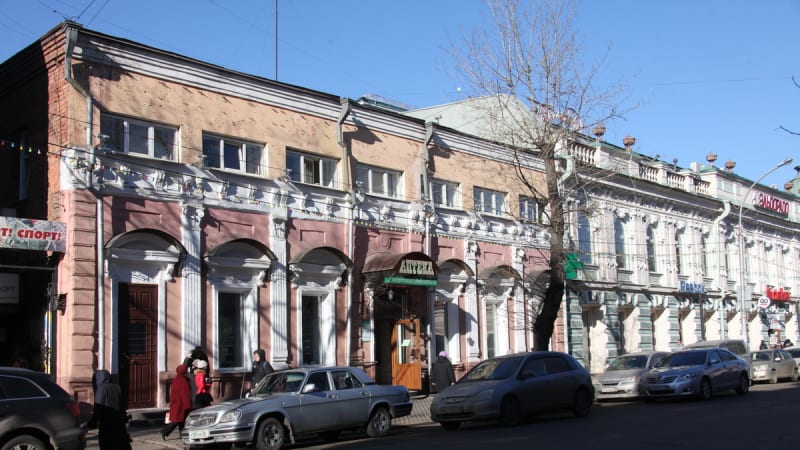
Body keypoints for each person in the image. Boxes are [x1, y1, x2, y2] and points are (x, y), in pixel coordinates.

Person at [90, 370, 131, 450]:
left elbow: (98, 408)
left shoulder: (101, 389)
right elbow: (122, 406)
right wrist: (124, 418)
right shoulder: (117, 387)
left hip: (107, 427)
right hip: (119, 426)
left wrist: (92, 423)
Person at [161, 364, 192, 440]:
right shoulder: (182, 381)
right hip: (180, 404)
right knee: (177, 420)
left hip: (177, 403)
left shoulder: (177, 379)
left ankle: (182, 435)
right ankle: (165, 431)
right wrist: (188, 405)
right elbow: (185, 394)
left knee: (181, 421)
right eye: (186, 371)